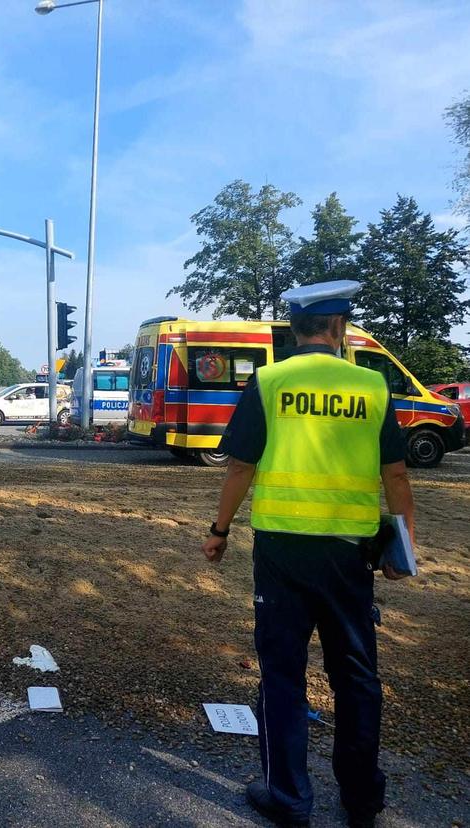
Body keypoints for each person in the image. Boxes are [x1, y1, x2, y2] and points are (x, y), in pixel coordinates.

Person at [201, 280, 415, 828]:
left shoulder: (270, 381)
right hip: (350, 555)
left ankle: (290, 797)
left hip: (282, 550)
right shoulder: (371, 386)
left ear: (294, 329)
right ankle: (362, 800)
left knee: (282, 673)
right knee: (357, 676)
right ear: (339, 327)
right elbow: (394, 471)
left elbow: (240, 466)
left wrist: (219, 530)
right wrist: (403, 546)